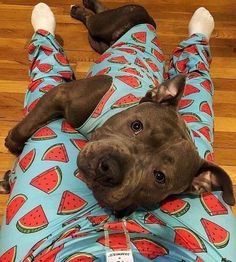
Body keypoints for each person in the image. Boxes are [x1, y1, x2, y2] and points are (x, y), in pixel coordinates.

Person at [0, 3, 235, 261]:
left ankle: (48, 40)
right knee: (196, 116)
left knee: (46, 132)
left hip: (50, 245)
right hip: (132, 69)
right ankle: (196, 43)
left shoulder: (191, 177)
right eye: (136, 127)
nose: (112, 166)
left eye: (159, 176)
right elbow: (60, 98)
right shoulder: (122, 97)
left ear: (196, 186)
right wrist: (15, 141)